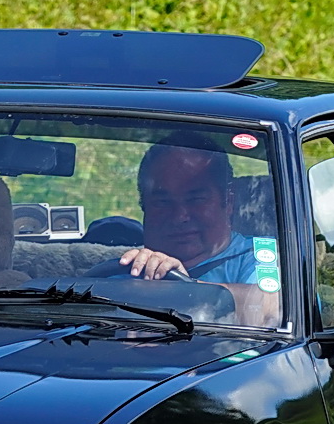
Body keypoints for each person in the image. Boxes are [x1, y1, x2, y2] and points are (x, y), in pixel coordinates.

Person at [115, 133, 284, 328]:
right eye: (162, 202)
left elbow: (271, 311)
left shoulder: (262, 257)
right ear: (144, 207)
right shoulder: (124, 268)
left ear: (228, 201)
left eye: (196, 200)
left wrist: (184, 289)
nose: (180, 216)